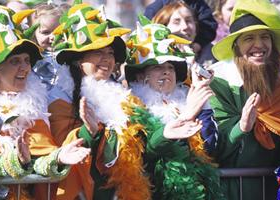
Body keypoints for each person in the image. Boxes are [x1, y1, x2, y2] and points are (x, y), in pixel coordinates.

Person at [49, 1, 205, 199]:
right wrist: (88, 132)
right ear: (78, 59)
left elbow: (144, 149)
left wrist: (167, 131)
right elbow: (62, 154)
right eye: (98, 52)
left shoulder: (125, 98)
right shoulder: (59, 99)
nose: (106, 59)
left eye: (110, 53)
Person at [0, 5, 90, 199]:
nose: (25, 67)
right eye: (15, 61)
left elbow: (37, 161)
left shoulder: (35, 105)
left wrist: (57, 159)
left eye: (26, 60)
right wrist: (14, 162)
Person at [124, 15, 223, 200]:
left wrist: (202, 105)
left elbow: (209, 149)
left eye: (170, 66)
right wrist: (186, 116)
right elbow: (141, 156)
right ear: (139, 76)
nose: (166, 71)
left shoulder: (186, 100)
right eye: (157, 66)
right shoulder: (131, 107)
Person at [208, 0, 280, 199]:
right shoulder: (220, 84)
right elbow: (213, 150)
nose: (259, 45)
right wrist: (241, 127)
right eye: (249, 38)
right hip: (232, 191)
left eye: (265, 37)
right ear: (236, 47)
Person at [144, 0, 217, 57]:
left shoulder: (198, 4)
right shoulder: (154, 9)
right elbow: (146, 33)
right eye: (176, 22)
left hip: (197, 50)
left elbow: (209, 26)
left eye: (188, 21)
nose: (184, 26)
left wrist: (198, 44)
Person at [30, 2, 70, 90]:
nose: (52, 37)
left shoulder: (71, 54)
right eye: (45, 32)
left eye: (58, 31)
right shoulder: (33, 57)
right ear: (34, 34)